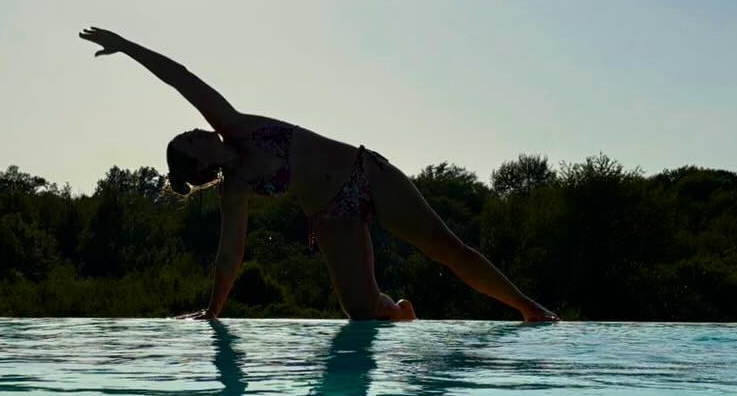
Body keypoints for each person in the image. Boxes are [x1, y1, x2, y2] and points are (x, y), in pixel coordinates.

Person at [79, 27, 559, 323]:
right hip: (332, 216)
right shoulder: (237, 189)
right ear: (201, 166)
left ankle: (529, 308)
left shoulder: (234, 125)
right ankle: (400, 313)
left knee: (446, 248)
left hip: (365, 173)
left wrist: (125, 46)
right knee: (362, 312)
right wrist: (212, 311)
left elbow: (180, 77)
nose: (195, 133)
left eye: (190, 132)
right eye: (191, 142)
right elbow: (231, 255)